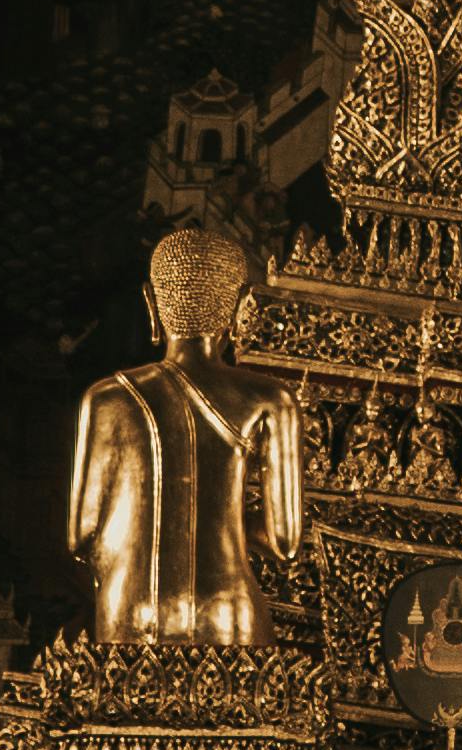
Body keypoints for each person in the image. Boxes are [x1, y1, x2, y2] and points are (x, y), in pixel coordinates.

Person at [67, 226, 305, 652]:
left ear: (151, 303)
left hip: (128, 613)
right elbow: (284, 542)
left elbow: (81, 537)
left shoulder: (104, 399)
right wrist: (223, 517)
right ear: (240, 306)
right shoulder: (272, 400)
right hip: (228, 613)